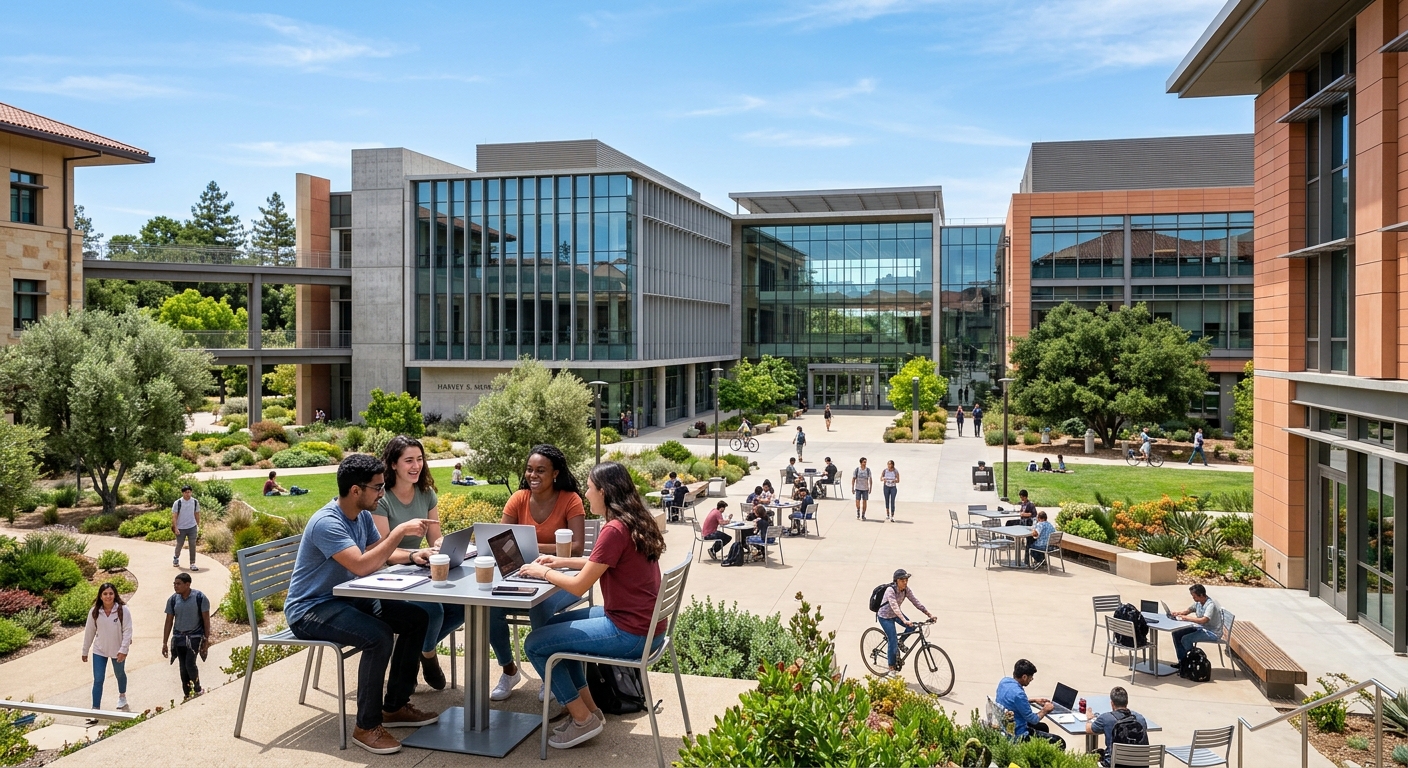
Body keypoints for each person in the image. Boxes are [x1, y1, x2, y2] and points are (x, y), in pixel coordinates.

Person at [286, 454, 439, 755]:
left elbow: (376, 552)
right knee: (378, 636)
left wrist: (411, 556)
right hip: (311, 609)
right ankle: (366, 726)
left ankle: (394, 707)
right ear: (356, 490)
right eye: (378, 488)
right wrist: (398, 532)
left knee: (416, 618)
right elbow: (361, 565)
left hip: (347, 599)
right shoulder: (327, 523)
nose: (382, 494)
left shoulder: (362, 516)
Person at [519, 462, 669, 751]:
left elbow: (578, 586)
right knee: (553, 628)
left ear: (603, 491)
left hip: (631, 633)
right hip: (645, 625)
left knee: (536, 644)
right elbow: (599, 563)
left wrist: (543, 573)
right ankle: (590, 712)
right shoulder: (633, 520)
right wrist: (559, 561)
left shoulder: (615, 529)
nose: (586, 495)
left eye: (589, 488)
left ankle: (581, 718)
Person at [490, 445, 588, 703]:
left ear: (555, 473)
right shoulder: (518, 498)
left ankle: (549, 675)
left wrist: (530, 548)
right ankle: (509, 670)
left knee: (540, 607)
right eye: (530, 469)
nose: (533, 475)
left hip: (563, 581)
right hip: (523, 574)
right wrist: (529, 553)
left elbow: (577, 548)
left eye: (541, 471)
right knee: (489, 608)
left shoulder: (570, 500)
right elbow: (501, 542)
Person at [372, 436, 456, 691]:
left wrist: (440, 546)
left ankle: (418, 646)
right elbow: (382, 551)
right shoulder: (382, 497)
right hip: (388, 574)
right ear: (393, 464)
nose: (416, 466)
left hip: (417, 568)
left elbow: (435, 536)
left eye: (419, 459)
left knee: (462, 607)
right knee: (435, 610)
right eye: (409, 460)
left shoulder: (426, 493)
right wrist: (412, 555)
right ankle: (428, 653)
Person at [82, 582, 132, 722]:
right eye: (105, 594)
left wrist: (124, 649)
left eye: (111, 593)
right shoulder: (94, 612)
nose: (108, 596)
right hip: (100, 650)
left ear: (115, 594)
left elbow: (128, 631)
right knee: (98, 679)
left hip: (118, 650)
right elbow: (89, 632)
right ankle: (95, 710)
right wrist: (85, 651)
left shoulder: (123, 610)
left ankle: (122, 696)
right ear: (100, 596)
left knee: (119, 673)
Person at [875, 569, 935, 676]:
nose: (905, 582)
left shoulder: (906, 590)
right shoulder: (890, 590)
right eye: (902, 580)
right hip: (885, 617)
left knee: (913, 627)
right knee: (892, 641)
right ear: (896, 581)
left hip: (895, 615)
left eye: (906, 580)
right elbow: (895, 607)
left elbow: (916, 602)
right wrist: (904, 620)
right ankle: (891, 667)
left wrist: (929, 614)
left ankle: (900, 642)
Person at [162, 572, 210, 699]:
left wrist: (206, 639)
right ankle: (187, 694)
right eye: (174, 584)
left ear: (187, 584)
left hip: (194, 637)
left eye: (178, 584)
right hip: (179, 638)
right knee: (182, 667)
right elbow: (168, 621)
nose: (175, 586)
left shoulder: (200, 597)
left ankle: (198, 689)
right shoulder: (173, 600)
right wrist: (164, 642)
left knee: (190, 663)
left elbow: (206, 619)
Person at [996, 659, 1065, 746]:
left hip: (1006, 724)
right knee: (1060, 742)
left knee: (1043, 727)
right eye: (1030, 677)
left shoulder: (1004, 682)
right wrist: (1045, 710)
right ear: (1024, 677)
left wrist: (1033, 700)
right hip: (1018, 733)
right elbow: (1033, 720)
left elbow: (1011, 700)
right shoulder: (1019, 694)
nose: (1032, 679)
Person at [1086, 686, 1148, 766]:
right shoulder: (1140, 718)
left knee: (1089, 757)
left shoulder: (1106, 718)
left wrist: (1089, 718)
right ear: (1127, 702)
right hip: (1140, 764)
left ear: (1112, 703)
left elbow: (1088, 729)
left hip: (1115, 764)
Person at [1170, 584, 1224, 669]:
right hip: (1201, 628)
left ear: (1201, 595)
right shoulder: (1199, 602)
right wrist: (1179, 613)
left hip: (1211, 632)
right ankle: (1182, 662)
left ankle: (1191, 663)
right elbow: (1190, 609)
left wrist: (1187, 618)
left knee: (1186, 639)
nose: (1193, 598)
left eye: (1194, 596)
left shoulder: (1210, 605)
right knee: (1176, 634)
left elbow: (1204, 620)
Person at [171, 485, 200, 572]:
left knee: (192, 545)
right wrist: (176, 527)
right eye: (186, 492)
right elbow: (174, 516)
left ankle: (192, 563)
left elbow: (197, 514)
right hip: (181, 528)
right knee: (180, 544)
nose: (188, 494)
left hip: (192, 526)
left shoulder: (195, 502)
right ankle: (176, 557)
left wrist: (197, 525)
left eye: (189, 492)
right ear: (183, 493)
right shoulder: (178, 503)